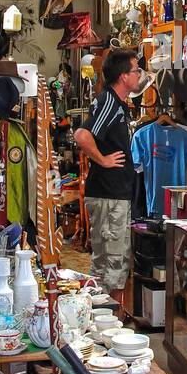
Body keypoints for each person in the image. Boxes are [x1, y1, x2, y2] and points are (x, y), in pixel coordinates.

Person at [73, 49, 143, 307]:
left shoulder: (118, 104)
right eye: (136, 70)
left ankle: (111, 322)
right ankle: (108, 326)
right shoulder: (109, 102)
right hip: (109, 195)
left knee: (114, 264)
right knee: (110, 268)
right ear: (123, 76)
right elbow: (82, 135)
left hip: (115, 195)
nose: (139, 75)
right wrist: (102, 160)